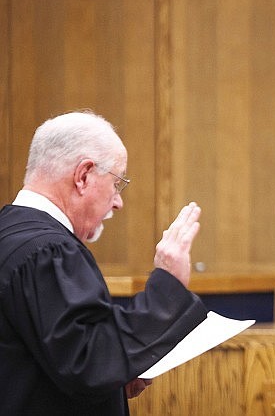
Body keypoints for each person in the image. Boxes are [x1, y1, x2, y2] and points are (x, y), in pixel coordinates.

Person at [0, 111, 208, 415]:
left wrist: (118, 378)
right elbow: (88, 361)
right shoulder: (48, 250)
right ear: (83, 176)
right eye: (117, 183)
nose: (118, 201)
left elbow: (42, 360)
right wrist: (168, 283)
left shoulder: (11, 231)